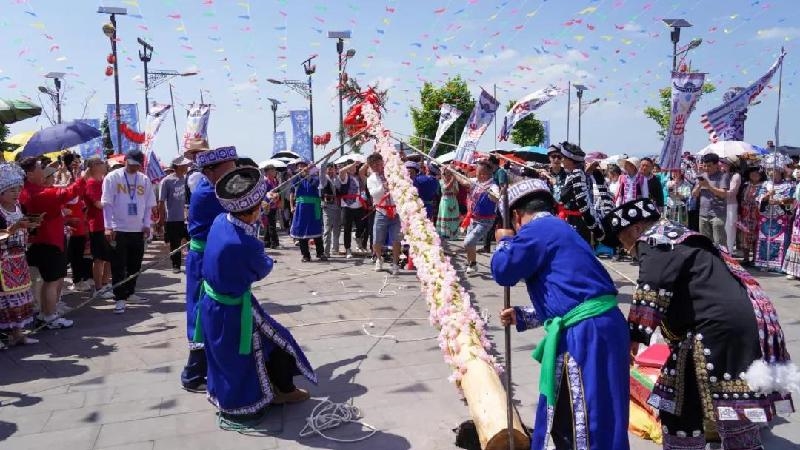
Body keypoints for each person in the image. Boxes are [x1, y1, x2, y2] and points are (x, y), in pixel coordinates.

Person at [602, 197, 796, 450]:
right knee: (729, 403)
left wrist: (632, 339)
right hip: (742, 325)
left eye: (622, 240)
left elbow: (650, 292)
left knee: (682, 404)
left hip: (711, 331)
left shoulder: (655, 241)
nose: (625, 248)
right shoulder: (682, 236)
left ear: (636, 229)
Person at [492, 178, 630, 450]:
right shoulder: (561, 228)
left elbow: (504, 271)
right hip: (598, 325)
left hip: (587, 334)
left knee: (585, 418)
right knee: (597, 414)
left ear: (516, 216)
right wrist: (524, 315)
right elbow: (571, 294)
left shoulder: (536, 229)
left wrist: (505, 241)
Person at [193, 166, 316, 419]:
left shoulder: (221, 220)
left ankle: (267, 387)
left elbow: (244, 224)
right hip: (233, 311)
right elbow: (262, 268)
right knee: (280, 342)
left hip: (212, 306)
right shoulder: (245, 245)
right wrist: (265, 254)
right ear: (252, 211)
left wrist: (262, 206)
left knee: (228, 358)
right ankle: (282, 390)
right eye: (258, 207)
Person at [182, 145, 238, 392]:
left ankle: (215, 368)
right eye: (229, 169)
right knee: (204, 311)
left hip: (214, 256)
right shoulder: (209, 192)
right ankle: (193, 373)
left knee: (216, 310)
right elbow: (238, 210)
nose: (234, 173)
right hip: (206, 259)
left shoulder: (215, 188)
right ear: (210, 171)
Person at [19, 157, 87, 329]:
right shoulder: (35, 192)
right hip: (48, 241)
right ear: (29, 174)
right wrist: (83, 177)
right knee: (52, 281)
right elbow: (67, 193)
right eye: (39, 168)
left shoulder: (30, 190)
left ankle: (45, 314)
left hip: (44, 240)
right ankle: (50, 316)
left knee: (48, 281)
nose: (43, 172)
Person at [101, 150, 157, 314]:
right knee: (118, 265)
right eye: (131, 164)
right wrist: (108, 226)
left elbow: (148, 205)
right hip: (118, 229)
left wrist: (147, 224)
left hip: (137, 229)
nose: (133, 167)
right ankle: (119, 298)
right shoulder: (113, 177)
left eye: (137, 165)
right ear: (125, 161)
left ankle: (130, 293)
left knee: (135, 264)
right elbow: (107, 204)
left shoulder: (144, 179)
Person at [0, 164, 38, 347]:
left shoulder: (19, 207)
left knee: (20, 296)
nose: (16, 193)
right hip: (3, 261)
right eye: (11, 190)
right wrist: (15, 228)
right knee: (4, 300)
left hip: (19, 259)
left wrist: (31, 226)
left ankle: (18, 333)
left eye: (17, 189)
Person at [554, 142, 605, 244]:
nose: (561, 160)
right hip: (575, 219)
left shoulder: (577, 174)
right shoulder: (577, 174)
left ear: (571, 160)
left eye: (563, 157)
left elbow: (563, 197)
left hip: (578, 221)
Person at [361, 153, 401, 274]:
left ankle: (395, 263)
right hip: (381, 211)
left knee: (396, 239)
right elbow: (374, 194)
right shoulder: (371, 179)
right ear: (370, 166)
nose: (377, 167)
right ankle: (379, 258)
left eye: (379, 164)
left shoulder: (391, 174)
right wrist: (383, 187)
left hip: (395, 211)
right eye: (374, 165)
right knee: (377, 239)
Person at [458, 160, 499, 275]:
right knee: (470, 243)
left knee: (468, 242)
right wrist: (453, 172)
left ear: (489, 173)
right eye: (478, 173)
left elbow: (496, 197)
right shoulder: (475, 182)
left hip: (485, 221)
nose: (480, 176)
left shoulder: (493, 186)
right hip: (473, 217)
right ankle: (471, 262)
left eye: (482, 173)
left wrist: (491, 194)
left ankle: (473, 264)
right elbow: (463, 181)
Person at [83, 156, 113, 299]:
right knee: (99, 258)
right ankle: (98, 288)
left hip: (108, 224)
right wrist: (115, 203)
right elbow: (98, 204)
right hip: (97, 225)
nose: (104, 165)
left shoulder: (104, 181)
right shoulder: (91, 183)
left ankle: (105, 284)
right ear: (93, 166)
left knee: (110, 257)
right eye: (101, 163)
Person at [754, 165, 794, 271]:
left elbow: (792, 200)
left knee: (780, 239)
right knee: (765, 239)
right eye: (769, 170)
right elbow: (758, 199)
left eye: (774, 170)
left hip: (780, 217)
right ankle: (764, 263)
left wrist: (779, 201)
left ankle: (778, 265)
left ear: (780, 171)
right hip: (766, 216)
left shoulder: (788, 185)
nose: (771, 172)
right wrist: (767, 196)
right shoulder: (764, 185)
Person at [158, 156, 191, 274]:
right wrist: (161, 219)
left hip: (188, 218)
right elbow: (161, 201)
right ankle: (176, 265)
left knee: (191, 241)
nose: (187, 167)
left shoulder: (188, 179)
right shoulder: (166, 181)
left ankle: (192, 264)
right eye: (184, 165)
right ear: (178, 166)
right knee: (175, 243)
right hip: (172, 218)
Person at [692, 153, 730, 248]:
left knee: (719, 243)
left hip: (717, 214)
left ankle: (723, 257)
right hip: (703, 214)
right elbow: (694, 194)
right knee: (705, 243)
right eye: (704, 166)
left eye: (709, 166)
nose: (706, 168)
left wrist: (708, 186)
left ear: (716, 165)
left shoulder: (723, 176)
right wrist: (699, 185)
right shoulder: (702, 176)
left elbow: (723, 193)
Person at [290, 160, 326, 262]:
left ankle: (320, 253)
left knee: (316, 230)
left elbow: (315, 184)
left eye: (302, 166)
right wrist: (300, 174)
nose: (300, 168)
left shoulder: (315, 177)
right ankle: (305, 255)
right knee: (301, 231)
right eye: (299, 166)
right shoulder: (297, 178)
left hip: (313, 207)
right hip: (301, 208)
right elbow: (293, 185)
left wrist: (307, 175)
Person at [337, 161, 368, 258]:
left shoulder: (359, 177)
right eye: (351, 167)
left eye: (355, 167)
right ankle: (348, 248)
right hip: (347, 205)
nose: (354, 168)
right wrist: (352, 165)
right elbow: (341, 171)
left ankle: (358, 239)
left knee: (361, 226)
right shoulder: (345, 177)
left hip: (359, 205)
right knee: (347, 228)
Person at [737, 167, 765, 266]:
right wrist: (739, 212)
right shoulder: (745, 185)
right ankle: (745, 258)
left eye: (757, 173)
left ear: (761, 175)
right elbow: (739, 199)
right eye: (752, 173)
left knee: (756, 236)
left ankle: (755, 259)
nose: (754, 175)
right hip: (745, 214)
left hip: (758, 214)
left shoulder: (764, 186)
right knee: (744, 235)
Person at [320, 163, 344, 258]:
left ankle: (335, 249)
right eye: (329, 169)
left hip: (337, 206)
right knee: (327, 229)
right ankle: (326, 251)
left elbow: (339, 187)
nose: (330, 171)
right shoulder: (324, 179)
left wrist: (335, 175)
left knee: (337, 229)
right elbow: (322, 170)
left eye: (332, 169)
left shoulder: (337, 179)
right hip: (327, 207)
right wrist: (328, 158)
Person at [721, 157, 742, 254]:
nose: (722, 164)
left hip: (730, 205)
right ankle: (722, 250)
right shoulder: (723, 174)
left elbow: (732, 192)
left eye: (725, 163)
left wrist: (718, 192)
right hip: (721, 204)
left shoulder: (736, 176)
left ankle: (729, 251)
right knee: (722, 228)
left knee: (729, 228)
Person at [436, 167, 460, 240]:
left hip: (453, 200)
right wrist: (452, 181)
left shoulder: (454, 181)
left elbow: (456, 192)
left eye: (450, 173)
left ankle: (453, 234)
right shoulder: (441, 181)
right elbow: (446, 188)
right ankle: (444, 234)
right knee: (445, 215)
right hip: (445, 200)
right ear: (444, 173)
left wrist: (454, 185)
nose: (449, 175)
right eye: (447, 173)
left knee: (454, 216)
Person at [262, 165, 281, 249]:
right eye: (272, 171)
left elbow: (278, 192)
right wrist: (271, 196)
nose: (274, 172)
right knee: (271, 224)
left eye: (274, 170)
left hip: (274, 205)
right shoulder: (265, 181)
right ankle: (274, 243)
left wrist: (277, 197)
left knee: (270, 223)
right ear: (267, 172)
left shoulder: (275, 181)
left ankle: (267, 242)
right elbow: (264, 193)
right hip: (267, 205)